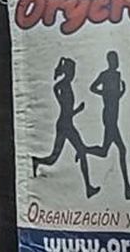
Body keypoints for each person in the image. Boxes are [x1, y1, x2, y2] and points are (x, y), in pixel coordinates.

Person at [32, 57, 98, 198]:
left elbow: (66, 109)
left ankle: (88, 187)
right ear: (68, 71)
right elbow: (66, 110)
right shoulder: (62, 86)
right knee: (57, 157)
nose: (73, 73)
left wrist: (76, 110)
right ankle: (37, 161)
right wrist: (78, 110)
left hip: (67, 123)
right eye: (72, 70)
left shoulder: (64, 86)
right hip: (65, 124)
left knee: (72, 153)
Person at [90, 52, 130, 200]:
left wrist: (121, 93)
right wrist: (104, 93)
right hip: (109, 117)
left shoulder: (117, 75)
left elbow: (115, 97)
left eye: (117, 59)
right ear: (109, 61)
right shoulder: (105, 75)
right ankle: (127, 189)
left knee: (104, 151)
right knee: (121, 150)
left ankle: (83, 150)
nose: (116, 62)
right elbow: (92, 87)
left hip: (113, 115)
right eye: (113, 60)